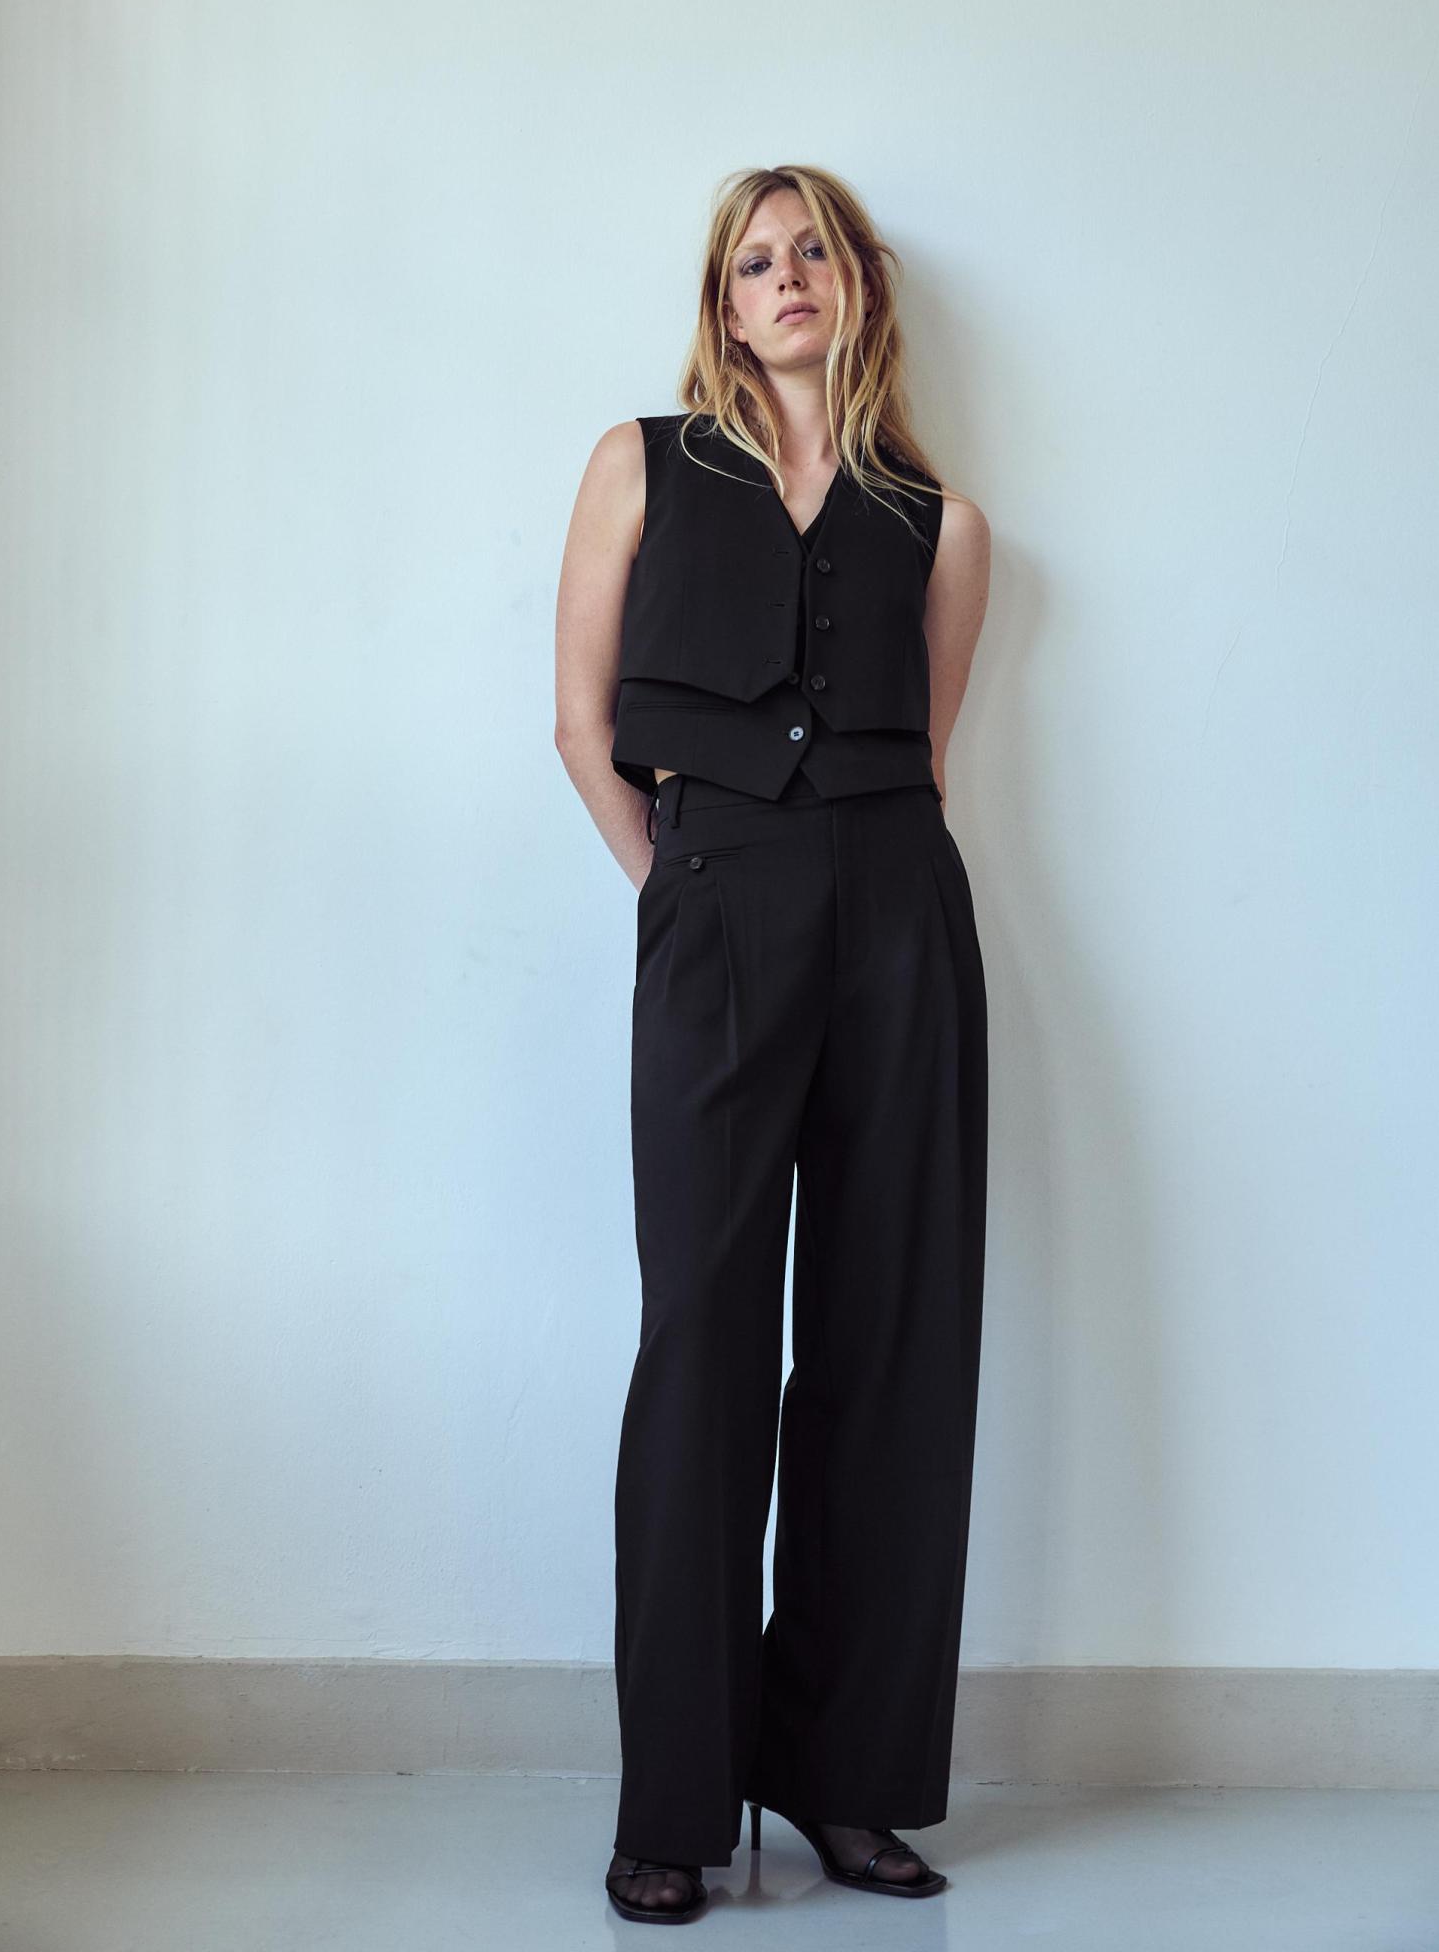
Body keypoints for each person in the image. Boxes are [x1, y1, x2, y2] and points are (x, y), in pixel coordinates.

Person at [554, 164, 991, 1923]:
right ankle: (670, 1801)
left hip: (896, 914)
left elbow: (927, 758)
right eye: (756, 259)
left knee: (890, 1347)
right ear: (723, 304)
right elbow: (580, 727)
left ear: (857, 283)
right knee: (703, 1342)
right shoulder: (640, 466)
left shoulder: (942, 524)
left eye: (814, 250)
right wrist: (685, 893)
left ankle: (844, 1779)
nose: (788, 276)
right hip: (714, 901)